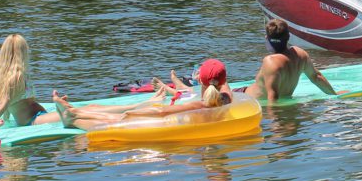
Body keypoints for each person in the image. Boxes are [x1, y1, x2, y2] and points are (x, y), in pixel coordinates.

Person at [0, 34, 165, 128]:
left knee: (90, 108)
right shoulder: (17, 76)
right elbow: (4, 103)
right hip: (33, 120)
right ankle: (141, 107)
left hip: (38, 115)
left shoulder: (7, 75)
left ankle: (141, 105)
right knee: (88, 110)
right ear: (21, 53)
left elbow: (12, 103)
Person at [56, 59, 234, 131]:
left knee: (120, 119)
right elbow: (221, 82)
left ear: (201, 80)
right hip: (183, 122)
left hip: (168, 126)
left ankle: (73, 118)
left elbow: (162, 113)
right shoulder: (226, 98)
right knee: (122, 115)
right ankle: (75, 112)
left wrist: (134, 113)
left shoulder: (201, 105)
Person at [245, 18, 337, 102]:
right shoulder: (300, 54)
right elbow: (317, 77)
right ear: (288, 37)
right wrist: (335, 95)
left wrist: (275, 119)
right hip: (276, 97)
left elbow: (272, 98)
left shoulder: (270, 62)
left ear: (267, 38)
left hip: (247, 99)